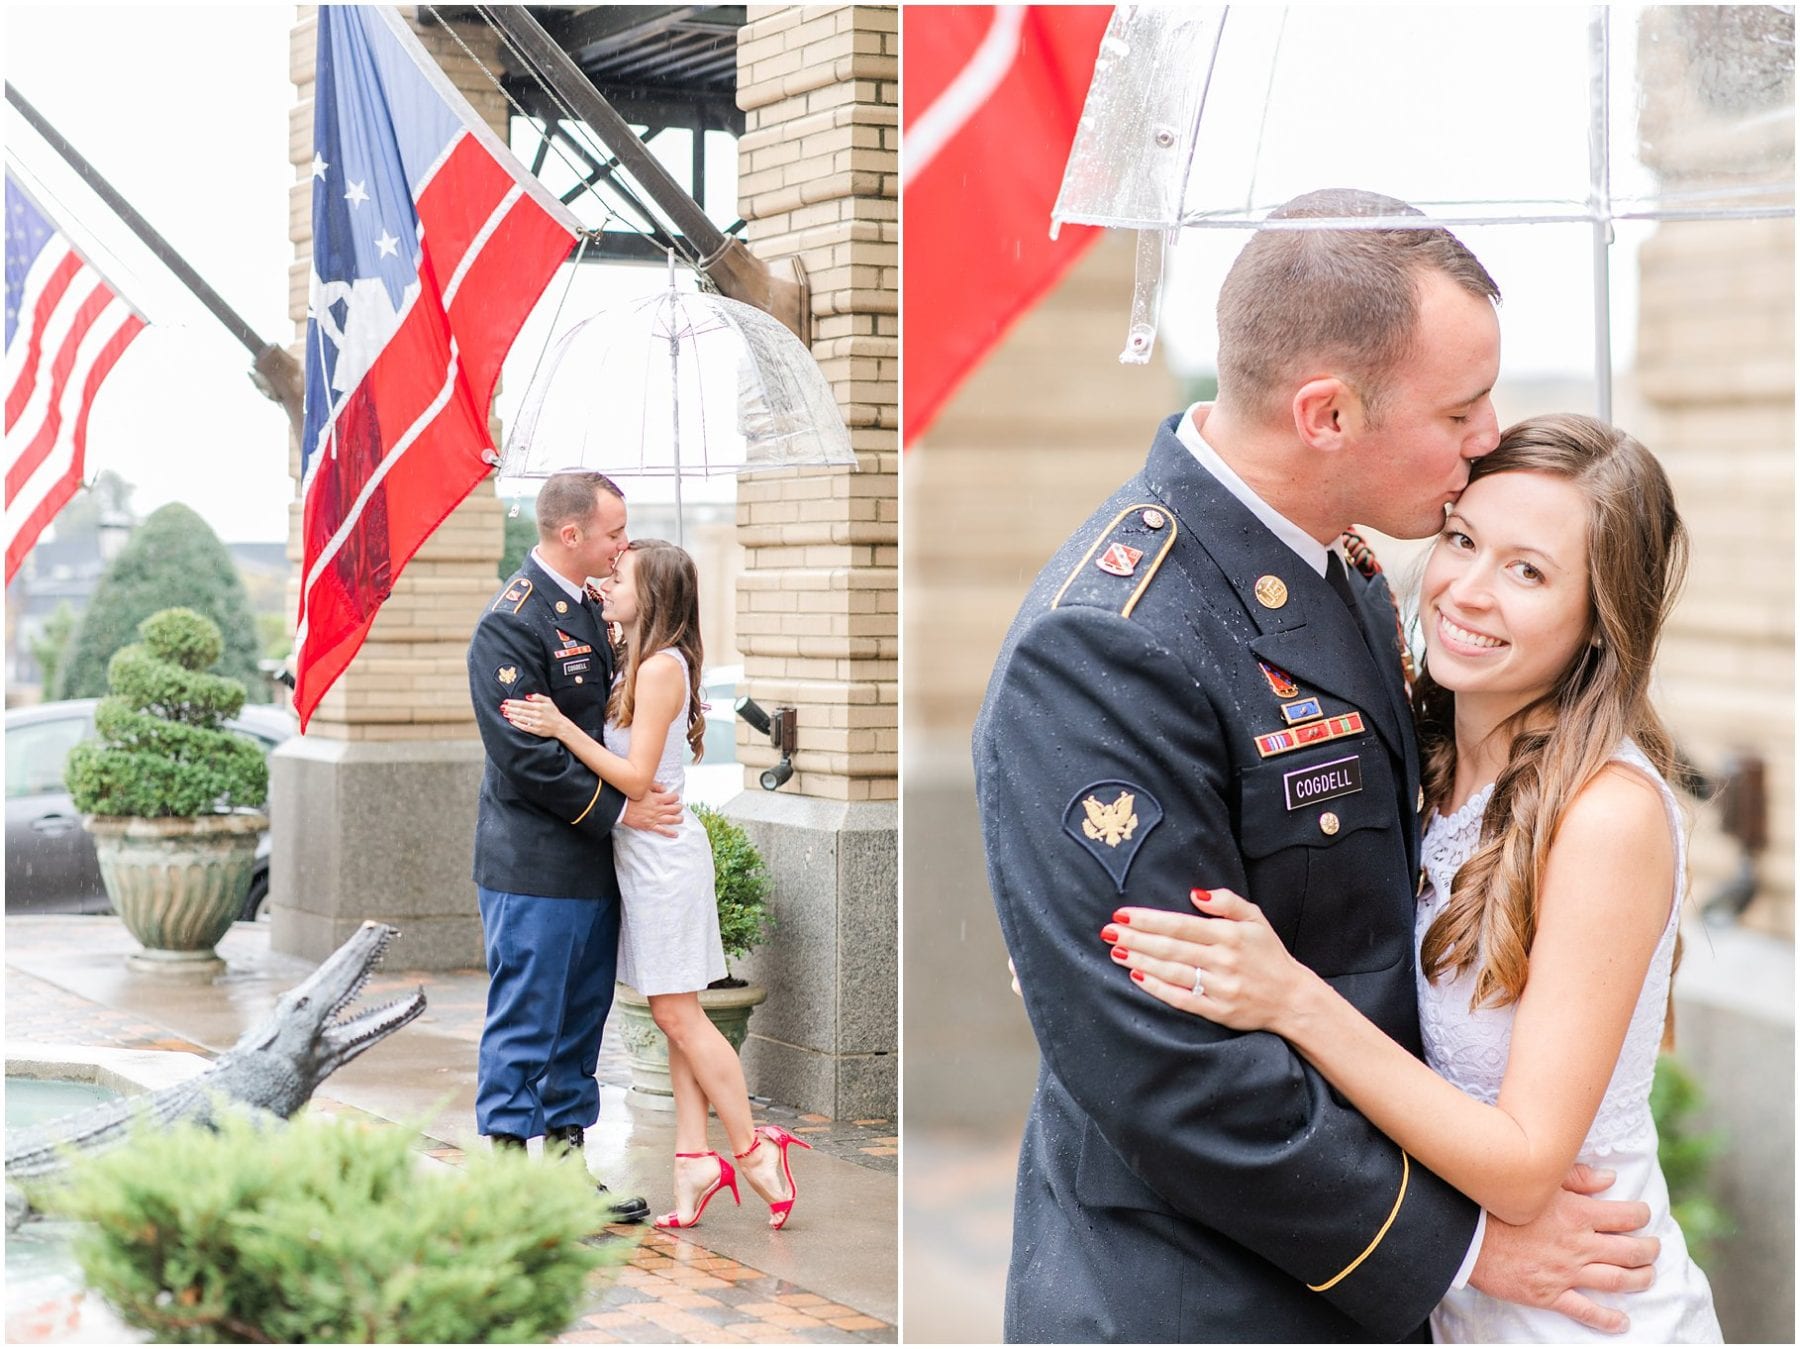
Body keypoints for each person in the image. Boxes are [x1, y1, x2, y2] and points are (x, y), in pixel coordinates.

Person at [973, 188, 1660, 1342]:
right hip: (1203, 1290)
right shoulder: (1109, 640)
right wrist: (1464, 1247)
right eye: (1462, 406)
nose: (1490, 435)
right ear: (1328, 413)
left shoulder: (1343, 566)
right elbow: (1169, 1063)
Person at [1104, 415, 1721, 1341]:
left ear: (1601, 618)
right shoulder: (1417, 754)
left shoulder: (1606, 815)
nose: (1468, 592)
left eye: (1528, 571)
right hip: (1445, 1300)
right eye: (1463, 540)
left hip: (1583, 1305)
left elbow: (1522, 1165)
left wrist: (1292, 999)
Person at [500, 538, 810, 1230]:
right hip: (640, 859)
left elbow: (637, 778)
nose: (608, 584)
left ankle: (756, 1148)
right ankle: (693, 1161)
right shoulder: (634, 660)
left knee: (677, 1015)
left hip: (663, 859)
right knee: (674, 1017)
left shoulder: (664, 668)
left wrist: (554, 725)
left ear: (657, 596)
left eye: (622, 577)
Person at [466, 469, 678, 1223]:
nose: (624, 544)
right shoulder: (511, 623)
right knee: (528, 1015)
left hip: (592, 861)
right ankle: (506, 1182)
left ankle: (563, 1168)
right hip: (534, 860)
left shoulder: (594, 608)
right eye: (615, 532)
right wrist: (621, 812)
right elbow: (526, 757)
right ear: (571, 534)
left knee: (580, 1016)